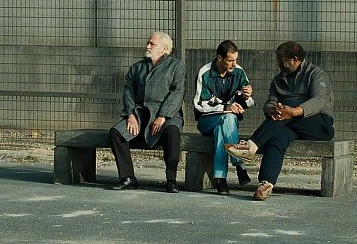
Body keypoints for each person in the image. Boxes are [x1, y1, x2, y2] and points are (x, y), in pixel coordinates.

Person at [225, 41, 334, 201]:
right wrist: (271, 109)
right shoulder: (278, 80)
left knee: (287, 110)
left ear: (295, 59)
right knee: (278, 136)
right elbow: (271, 101)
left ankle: (251, 146)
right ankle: (266, 184)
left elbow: (319, 100)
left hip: (319, 124)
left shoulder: (315, 74)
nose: (279, 63)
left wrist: (293, 111)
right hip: (289, 124)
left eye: (282, 60)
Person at [108, 31, 186, 193]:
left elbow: (177, 92)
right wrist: (130, 114)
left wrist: (163, 116)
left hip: (168, 114)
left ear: (164, 48)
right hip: (140, 113)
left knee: (172, 132)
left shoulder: (176, 66)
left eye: (152, 44)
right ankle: (127, 177)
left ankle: (171, 180)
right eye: (148, 43)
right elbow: (128, 91)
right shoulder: (137, 67)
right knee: (116, 133)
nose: (148, 46)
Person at [193, 40, 255, 195]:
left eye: (236, 60)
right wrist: (225, 108)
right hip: (206, 121)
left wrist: (247, 96)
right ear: (219, 58)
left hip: (228, 124)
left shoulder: (239, 72)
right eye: (230, 60)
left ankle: (221, 180)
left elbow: (249, 103)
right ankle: (239, 164)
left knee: (223, 128)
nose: (234, 64)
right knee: (228, 118)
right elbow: (200, 104)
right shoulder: (205, 72)